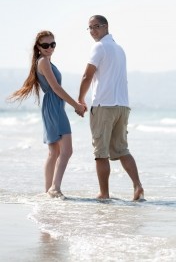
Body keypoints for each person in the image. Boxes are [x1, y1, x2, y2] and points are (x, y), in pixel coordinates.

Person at [9, 30, 86, 198]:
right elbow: (56, 88)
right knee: (66, 150)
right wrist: (77, 106)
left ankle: (49, 190)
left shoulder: (46, 61)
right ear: (38, 47)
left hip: (52, 105)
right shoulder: (43, 61)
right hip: (54, 105)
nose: (50, 48)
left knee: (55, 152)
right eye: (45, 45)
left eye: (53, 44)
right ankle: (55, 188)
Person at [77, 15, 144, 201]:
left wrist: (80, 99)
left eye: (96, 27)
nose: (92, 31)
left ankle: (104, 194)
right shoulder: (119, 49)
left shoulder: (99, 47)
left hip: (104, 106)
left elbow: (87, 76)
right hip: (122, 106)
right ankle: (138, 186)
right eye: (89, 28)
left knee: (101, 153)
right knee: (122, 150)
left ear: (106, 27)